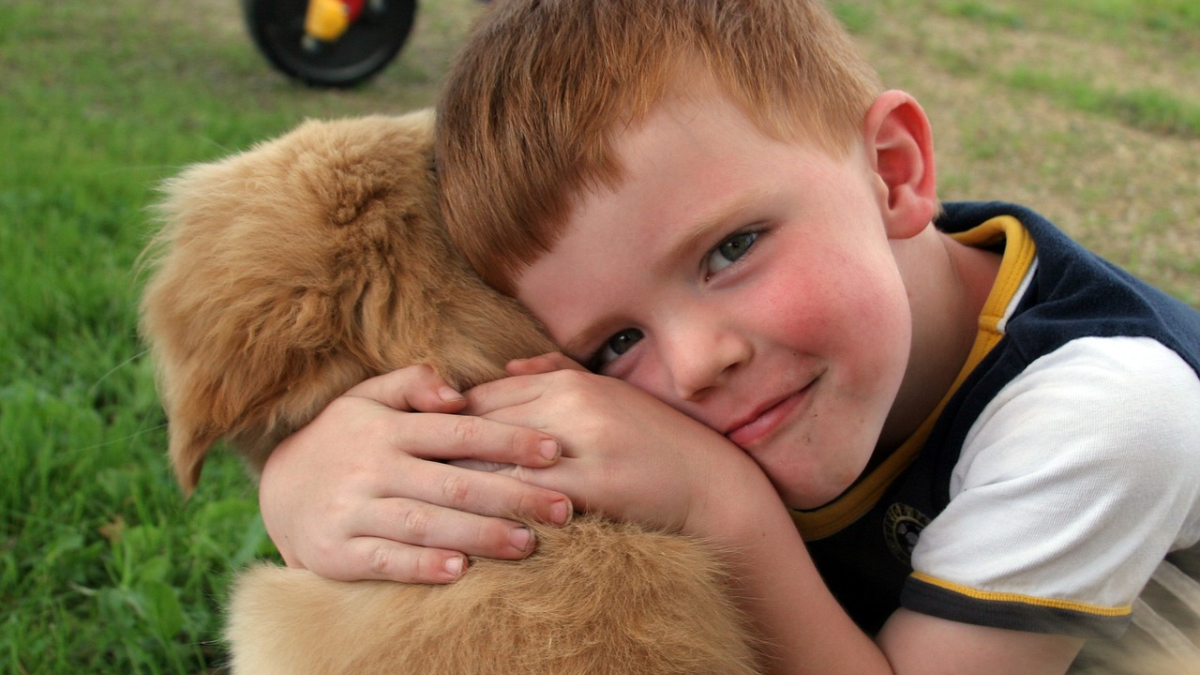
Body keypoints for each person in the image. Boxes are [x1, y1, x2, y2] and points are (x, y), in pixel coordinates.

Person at [257, 1, 1200, 673]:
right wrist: (304, 477)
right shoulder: (817, 352)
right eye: (614, 341)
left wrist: (722, 507)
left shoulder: (1107, 414)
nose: (700, 363)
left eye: (730, 250)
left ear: (894, 172)